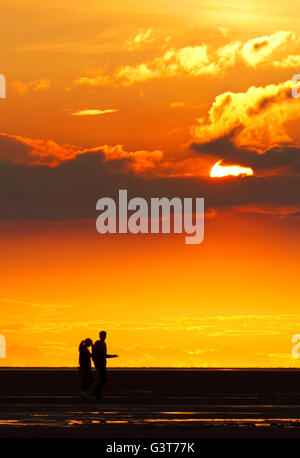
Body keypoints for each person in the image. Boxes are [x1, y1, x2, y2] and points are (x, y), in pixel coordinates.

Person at [92, 331, 118, 400]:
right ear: (100, 336)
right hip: (100, 364)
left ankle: (98, 393)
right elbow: (102, 355)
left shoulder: (102, 343)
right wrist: (112, 356)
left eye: (105, 335)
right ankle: (97, 392)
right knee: (104, 378)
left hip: (102, 364)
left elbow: (102, 355)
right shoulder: (99, 344)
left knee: (103, 378)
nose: (104, 337)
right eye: (103, 335)